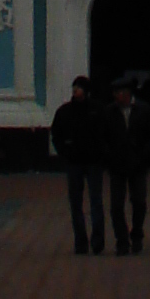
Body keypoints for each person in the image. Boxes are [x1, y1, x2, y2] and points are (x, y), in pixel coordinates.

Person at [51, 73, 107, 256]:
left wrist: (101, 153)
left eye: (80, 87)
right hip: (74, 162)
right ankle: (80, 242)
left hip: (93, 162)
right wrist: (65, 153)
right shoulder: (64, 112)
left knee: (96, 202)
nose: (76, 90)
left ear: (87, 90)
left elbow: (105, 134)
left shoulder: (97, 110)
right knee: (75, 203)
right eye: (74, 87)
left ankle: (98, 241)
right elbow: (56, 134)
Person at [108, 77, 150, 255]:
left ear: (127, 94)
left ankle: (137, 233)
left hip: (138, 164)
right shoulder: (110, 112)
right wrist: (110, 156)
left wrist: (144, 154)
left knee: (139, 201)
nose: (116, 97)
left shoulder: (143, 110)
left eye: (118, 93)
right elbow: (103, 136)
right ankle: (121, 240)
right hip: (117, 165)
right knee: (116, 206)